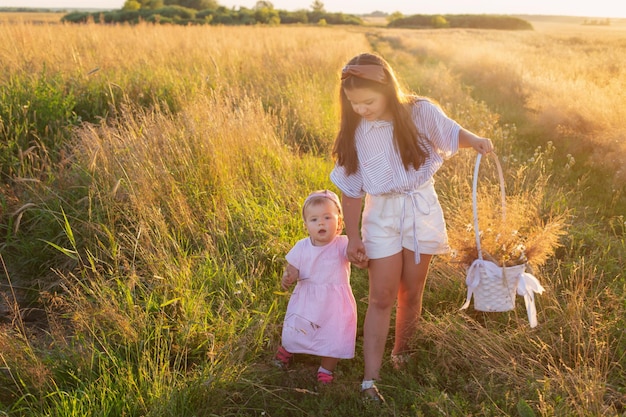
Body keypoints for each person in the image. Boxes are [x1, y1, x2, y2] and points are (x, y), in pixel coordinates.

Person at [330, 52, 493, 402]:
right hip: (383, 215)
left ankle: (402, 353)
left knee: (412, 291)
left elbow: (449, 131)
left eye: (368, 101)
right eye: (354, 103)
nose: (362, 109)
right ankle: (369, 379)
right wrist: (354, 236)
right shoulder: (355, 130)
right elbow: (351, 187)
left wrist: (476, 139)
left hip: (420, 209)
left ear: (387, 88)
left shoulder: (419, 111)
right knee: (381, 295)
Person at [273, 190, 358, 385]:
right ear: (306, 226)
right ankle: (287, 350)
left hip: (335, 304)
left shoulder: (342, 244)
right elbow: (292, 267)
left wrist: (361, 258)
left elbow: (357, 257)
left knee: (335, 334)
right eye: (314, 219)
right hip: (308, 300)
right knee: (298, 328)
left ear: (339, 224)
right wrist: (289, 276)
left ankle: (326, 368)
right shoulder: (302, 246)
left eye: (327, 217)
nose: (321, 223)